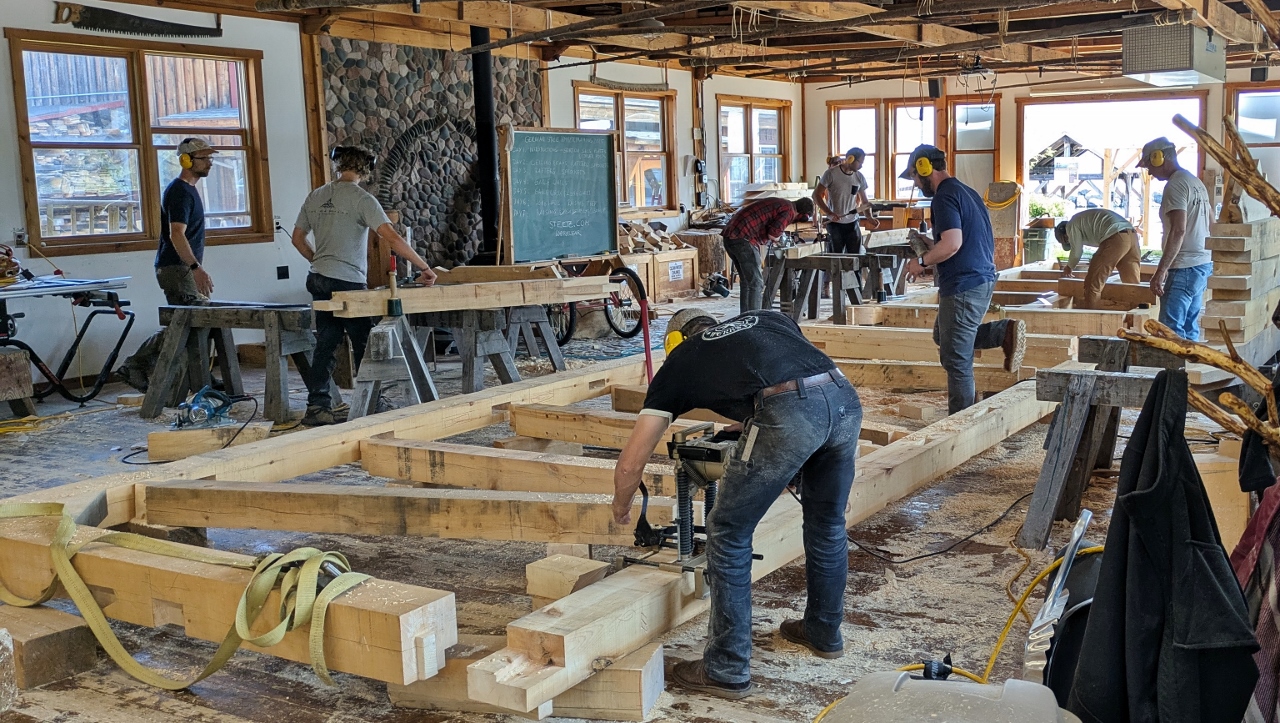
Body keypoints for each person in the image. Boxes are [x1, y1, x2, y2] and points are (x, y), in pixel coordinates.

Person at [611, 307, 861, 699]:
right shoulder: (767, 318)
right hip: (844, 399)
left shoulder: (680, 360)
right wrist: (752, 421)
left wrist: (621, 507)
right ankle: (823, 631)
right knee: (827, 523)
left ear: (674, 342)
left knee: (727, 532)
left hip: (789, 414)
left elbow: (631, 463)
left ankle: (726, 668)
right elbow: (787, 369)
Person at [291, 146, 438, 426]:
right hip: (348, 280)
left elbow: (297, 238)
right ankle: (371, 402)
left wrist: (319, 262)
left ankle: (317, 406)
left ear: (338, 165)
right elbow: (392, 238)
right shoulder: (363, 199)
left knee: (326, 341)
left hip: (318, 277)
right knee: (363, 343)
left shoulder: (316, 195)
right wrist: (424, 267)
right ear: (366, 170)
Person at [900, 144, 1026, 415]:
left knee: (956, 359)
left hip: (963, 284)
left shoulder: (943, 197)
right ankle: (1002, 333)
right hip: (979, 278)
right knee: (945, 337)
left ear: (924, 168)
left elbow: (952, 245)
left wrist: (920, 262)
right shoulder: (965, 191)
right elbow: (954, 239)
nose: (915, 182)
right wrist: (929, 242)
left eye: (913, 176)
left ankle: (961, 423)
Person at [115, 137, 220, 391]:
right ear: (186, 160)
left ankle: (200, 378)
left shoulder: (189, 191)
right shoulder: (180, 192)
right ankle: (136, 365)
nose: (210, 163)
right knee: (187, 322)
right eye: (204, 158)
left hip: (180, 268)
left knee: (193, 323)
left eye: (210, 158)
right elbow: (176, 233)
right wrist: (196, 268)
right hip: (177, 269)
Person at [1138, 136, 1213, 341]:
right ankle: (1189, 371)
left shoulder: (1175, 185)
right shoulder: (1194, 181)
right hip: (1201, 264)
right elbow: (1211, 221)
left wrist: (1160, 271)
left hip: (1183, 267)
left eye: (1148, 166)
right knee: (1189, 329)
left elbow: (1178, 230)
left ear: (1158, 158)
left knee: (1170, 332)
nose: (1150, 172)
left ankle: (1174, 373)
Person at [721, 197, 814, 313]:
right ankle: (755, 319)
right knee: (756, 283)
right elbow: (773, 234)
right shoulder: (789, 210)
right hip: (744, 239)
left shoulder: (782, 203)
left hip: (730, 236)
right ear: (802, 215)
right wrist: (781, 240)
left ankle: (745, 317)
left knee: (746, 280)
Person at [1055, 208, 1142, 309]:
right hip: (1131, 236)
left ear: (1065, 234)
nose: (1070, 242)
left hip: (1115, 236)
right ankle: (1136, 318)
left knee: (1092, 284)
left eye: (1068, 241)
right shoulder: (1083, 221)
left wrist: (1069, 267)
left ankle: (1091, 320)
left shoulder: (1071, 225)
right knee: (1132, 285)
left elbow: (1076, 252)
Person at [813, 148, 878, 255]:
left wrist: (869, 217)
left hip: (853, 223)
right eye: (860, 162)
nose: (861, 166)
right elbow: (816, 195)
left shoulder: (859, 177)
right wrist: (829, 212)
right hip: (835, 224)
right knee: (836, 258)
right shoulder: (831, 174)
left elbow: (865, 202)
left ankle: (856, 273)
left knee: (856, 258)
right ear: (850, 159)